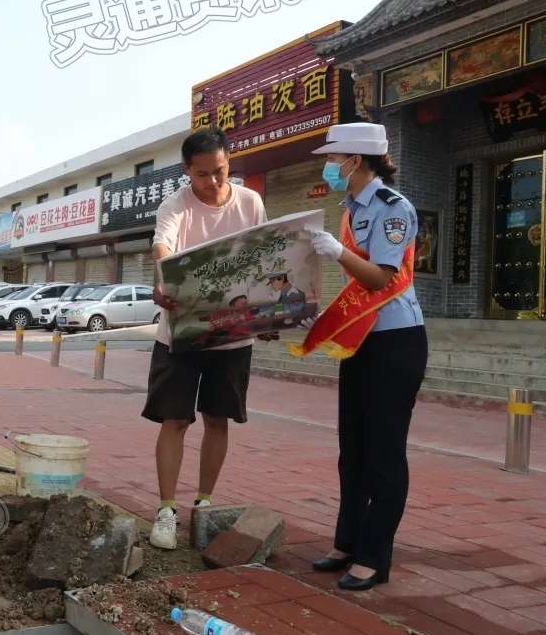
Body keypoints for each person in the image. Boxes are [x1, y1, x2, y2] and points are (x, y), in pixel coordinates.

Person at [297, 122, 427, 591]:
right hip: (362, 341)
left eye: (334, 158)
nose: (329, 166)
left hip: (396, 343)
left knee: (383, 454)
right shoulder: (351, 208)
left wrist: (334, 252)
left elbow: (378, 278)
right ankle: (347, 541)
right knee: (351, 449)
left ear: (356, 159)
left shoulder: (394, 209)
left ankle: (375, 556)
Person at [146, 127, 274, 551]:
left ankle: (203, 504)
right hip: (181, 333)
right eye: (203, 175)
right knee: (175, 420)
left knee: (218, 419)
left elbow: (265, 256)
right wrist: (164, 278)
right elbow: (163, 246)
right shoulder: (174, 205)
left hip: (233, 336)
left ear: (229, 163)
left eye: (219, 172)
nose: (213, 182)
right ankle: (166, 510)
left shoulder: (250, 202)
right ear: (187, 172)